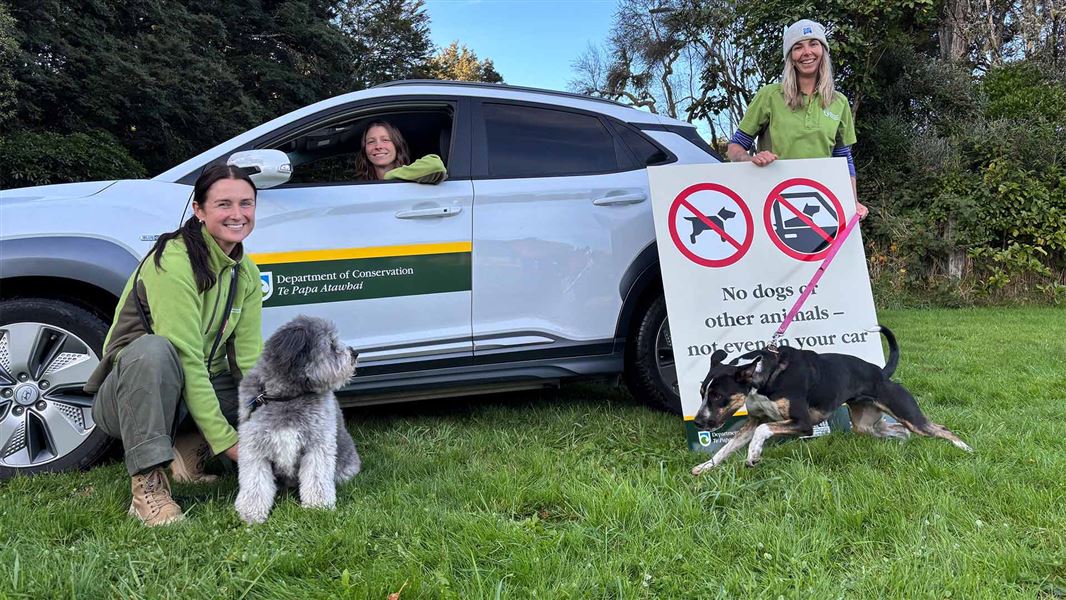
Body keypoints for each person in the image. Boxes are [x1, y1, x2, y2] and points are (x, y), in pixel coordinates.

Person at [84, 164, 263, 526]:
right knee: (155, 351)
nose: (237, 214)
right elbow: (186, 359)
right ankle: (148, 485)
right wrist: (231, 444)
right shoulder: (173, 262)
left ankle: (185, 448)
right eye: (223, 204)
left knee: (267, 386)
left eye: (246, 204)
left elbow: (249, 360)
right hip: (129, 395)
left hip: (191, 390)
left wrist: (270, 425)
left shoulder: (248, 273)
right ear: (199, 211)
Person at [726, 19, 868, 219]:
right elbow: (734, 147)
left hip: (820, 204)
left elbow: (844, 158)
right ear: (790, 57)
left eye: (813, 44)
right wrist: (750, 159)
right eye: (798, 47)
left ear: (823, 51)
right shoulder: (770, 95)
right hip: (771, 202)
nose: (807, 52)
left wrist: (851, 201)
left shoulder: (840, 102)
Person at [353, 120, 448, 184]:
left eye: (385, 140)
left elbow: (436, 166)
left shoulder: (415, 176)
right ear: (365, 149)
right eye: (371, 141)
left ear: (397, 145)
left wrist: (390, 176)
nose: (378, 146)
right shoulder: (359, 186)